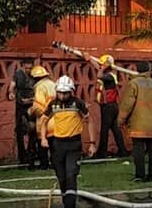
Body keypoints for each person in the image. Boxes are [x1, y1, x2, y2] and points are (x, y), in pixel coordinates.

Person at [41, 75, 97, 208]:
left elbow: (90, 121)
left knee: (71, 173)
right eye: (60, 92)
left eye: (65, 93)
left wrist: (92, 143)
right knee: (61, 176)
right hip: (58, 144)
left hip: (74, 144)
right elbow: (43, 122)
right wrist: (43, 138)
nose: (62, 95)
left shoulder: (77, 104)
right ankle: (66, 200)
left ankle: (70, 204)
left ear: (71, 91)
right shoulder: (53, 105)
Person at [118, 61, 152, 182]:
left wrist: (121, 119)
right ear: (149, 69)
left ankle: (140, 175)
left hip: (137, 123)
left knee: (138, 148)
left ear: (137, 70)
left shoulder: (133, 83)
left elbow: (127, 104)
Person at [94, 54, 128, 158]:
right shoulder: (110, 74)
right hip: (111, 106)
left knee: (105, 130)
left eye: (102, 65)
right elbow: (98, 68)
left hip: (109, 107)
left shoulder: (109, 76)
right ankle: (122, 151)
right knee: (115, 129)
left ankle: (101, 153)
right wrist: (88, 59)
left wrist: (102, 67)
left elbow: (99, 75)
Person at [8, 58, 35, 166]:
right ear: (23, 66)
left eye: (30, 68)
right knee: (19, 130)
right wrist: (11, 92)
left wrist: (32, 99)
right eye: (26, 68)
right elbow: (12, 85)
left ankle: (31, 154)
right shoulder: (18, 73)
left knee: (33, 129)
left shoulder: (36, 74)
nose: (28, 70)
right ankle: (22, 157)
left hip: (32, 104)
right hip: (20, 104)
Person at [28, 65, 56, 170]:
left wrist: (30, 111)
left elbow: (38, 109)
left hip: (45, 122)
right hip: (56, 121)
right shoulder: (53, 85)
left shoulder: (39, 87)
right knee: (54, 147)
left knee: (43, 146)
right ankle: (55, 164)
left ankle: (44, 165)